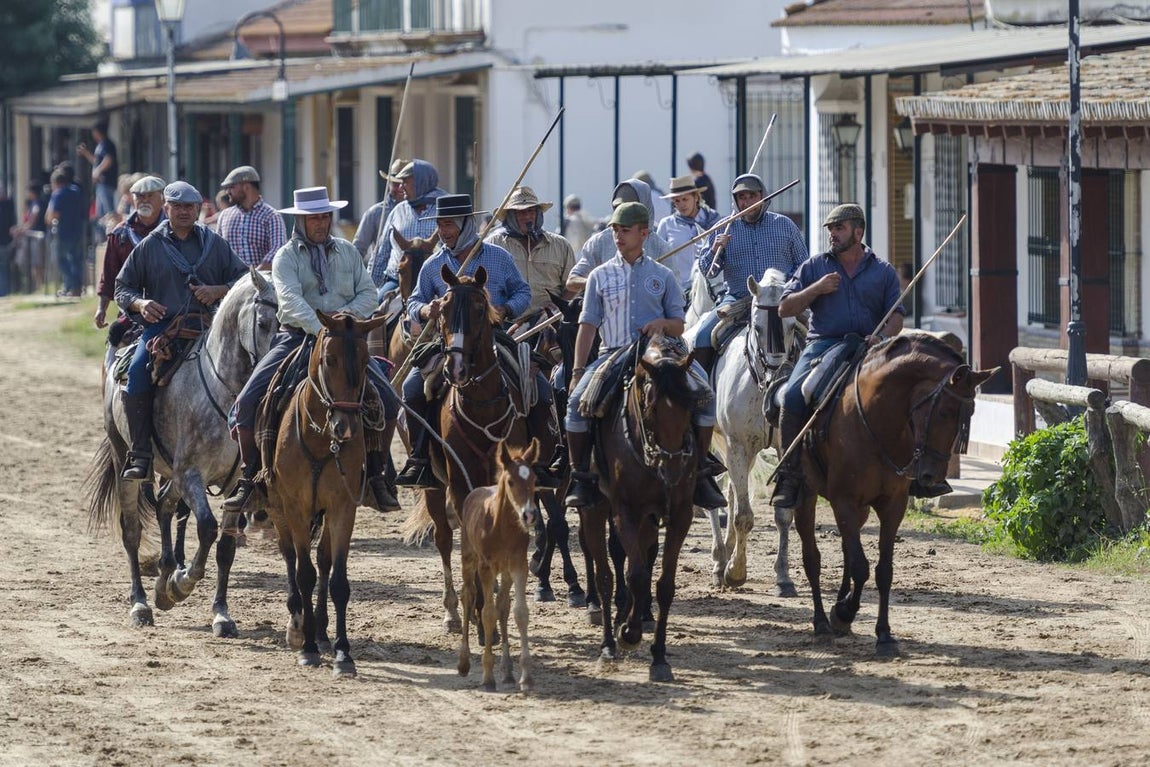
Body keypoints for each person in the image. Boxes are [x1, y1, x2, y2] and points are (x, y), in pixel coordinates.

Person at [223, 186, 402, 513]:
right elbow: (290, 301)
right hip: (298, 337)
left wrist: (344, 322)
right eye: (313, 218)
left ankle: (376, 475)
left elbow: (368, 294)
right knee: (247, 403)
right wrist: (324, 331)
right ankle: (252, 478)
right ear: (301, 221)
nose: (320, 223)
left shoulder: (348, 252)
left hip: (347, 339)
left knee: (388, 400)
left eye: (324, 216)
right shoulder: (286, 256)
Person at [562, 201, 726, 509]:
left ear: (644, 232)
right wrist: (576, 371)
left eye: (625, 231)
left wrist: (663, 324)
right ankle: (580, 477)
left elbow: (679, 324)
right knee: (575, 404)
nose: (618, 236)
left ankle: (702, 471)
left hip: (661, 354)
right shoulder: (599, 276)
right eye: (615, 230)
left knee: (705, 393)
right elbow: (587, 326)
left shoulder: (663, 275)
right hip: (612, 353)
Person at [395, 193, 556, 489]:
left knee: (541, 387)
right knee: (412, 387)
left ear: (465, 224)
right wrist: (424, 308)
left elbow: (523, 292)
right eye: (440, 225)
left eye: (449, 224)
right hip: (447, 341)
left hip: (493, 337)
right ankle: (420, 460)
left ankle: (542, 462)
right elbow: (414, 300)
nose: (444, 231)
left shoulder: (498, 257)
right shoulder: (433, 265)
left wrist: (505, 309)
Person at [773, 203, 907, 507]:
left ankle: (914, 472)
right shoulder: (814, 266)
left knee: (906, 395)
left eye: (839, 228)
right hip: (823, 345)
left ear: (858, 232)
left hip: (870, 346)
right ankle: (789, 476)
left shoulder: (883, 271)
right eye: (831, 229)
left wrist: (882, 336)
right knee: (792, 395)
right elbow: (785, 308)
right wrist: (815, 290)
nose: (832, 234)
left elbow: (896, 317)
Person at [114, 181, 249, 480]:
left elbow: (244, 281)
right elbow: (122, 287)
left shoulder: (215, 245)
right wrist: (140, 303)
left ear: (199, 210)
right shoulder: (150, 245)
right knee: (136, 372)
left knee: (253, 370)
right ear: (167, 209)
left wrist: (219, 290)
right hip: (163, 328)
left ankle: (253, 458)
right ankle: (139, 453)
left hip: (210, 327)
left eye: (190, 206)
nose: (184, 211)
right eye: (177, 206)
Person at [689, 173, 807, 374]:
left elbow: (804, 265)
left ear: (763, 196)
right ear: (735, 201)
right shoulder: (723, 228)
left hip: (781, 300)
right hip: (736, 298)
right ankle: (704, 395)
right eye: (741, 197)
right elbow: (708, 272)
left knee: (815, 332)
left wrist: (789, 288)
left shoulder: (785, 225)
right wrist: (715, 249)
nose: (747, 202)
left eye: (752, 196)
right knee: (701, 336)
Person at [564, 177, 671, 295]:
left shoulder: (661, 248)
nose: (624, 214)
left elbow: (676, 295)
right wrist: (603, 283)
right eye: (619, 208)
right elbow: (572, 280)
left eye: (630, 210)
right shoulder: (600, 242)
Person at [485, 186, 576, 316]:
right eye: (520, 212)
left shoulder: (561, 245)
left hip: (550, 323)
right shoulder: (493, 245)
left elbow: (572, 286)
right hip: (508, 322)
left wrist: (558, 306)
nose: (527, 216)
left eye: (531, 211)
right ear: (510, 216)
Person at [95, 175, 166, 330]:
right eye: (140, 196)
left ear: (162, 199)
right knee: (116, 337)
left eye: (150, 196)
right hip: (132, 310)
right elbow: (109, 275)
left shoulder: (175, 230)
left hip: (170, 309)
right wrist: (101, 308)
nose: (144, 200)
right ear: (132, 199)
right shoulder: (120, 234)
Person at [370, 159, 447, 296]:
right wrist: (371, 286)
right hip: (397, 278)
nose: (401, 188)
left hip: (436, 279)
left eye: (405, 182)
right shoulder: (398, 211)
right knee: (379, 306)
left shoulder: (444, 209)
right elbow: (383, 251)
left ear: (421, 182)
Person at [656, 174, 721, 293]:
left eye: (685, 199)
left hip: (710, 289)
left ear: (696, 197)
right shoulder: (666, 224)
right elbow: (658, 260)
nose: (681, 204)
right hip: (678, 291)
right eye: (677, 201)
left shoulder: (714, 220)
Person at [215, 165, 287, 270]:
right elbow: (217, 250)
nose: (227, 192)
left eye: (231, 187)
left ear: (247, 187)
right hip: (229, 284)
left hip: (264, 284)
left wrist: (254, 277)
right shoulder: (225, 215)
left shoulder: (272, 216)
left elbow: (278, 250)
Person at [353, 157, 407, 267]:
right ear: (389, 184)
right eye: (396, 184)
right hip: (383, 273)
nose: (400, 188)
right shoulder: (375, 213)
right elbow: (358, 249)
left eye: (404, 183)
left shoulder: (420, 211)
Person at [45, 165, 86, 297]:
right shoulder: (75, 191)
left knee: (60, 260)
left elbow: (53, 215)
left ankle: (70, 285)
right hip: (77, 231)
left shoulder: (58, 194)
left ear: (55, 183)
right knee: (76, 261)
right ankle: (77, 288)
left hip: (62, 233)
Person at [77, 120, 119, 227]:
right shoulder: (100, 145)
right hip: (100, 184)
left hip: (107, 182)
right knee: (100, 214)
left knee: (108, 212)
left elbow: (108, 159)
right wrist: (86, 153)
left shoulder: (107, 144)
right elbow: (97, 161)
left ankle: (111, 235)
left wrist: (98, 171)